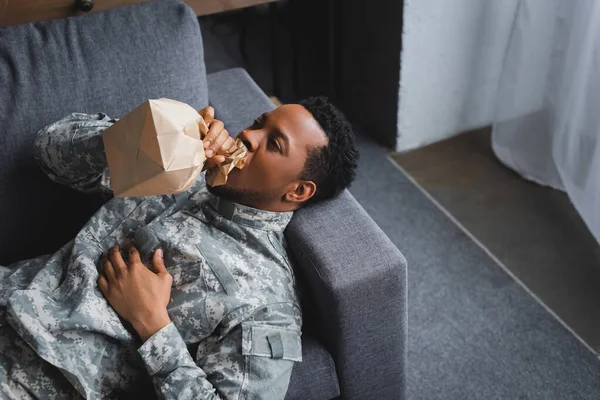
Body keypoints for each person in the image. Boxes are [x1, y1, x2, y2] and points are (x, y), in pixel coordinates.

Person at [0, 97, 359, 399]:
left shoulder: (266, 304)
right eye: (258, 123)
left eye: (274, 144)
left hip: (36, 382)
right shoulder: (180, 166)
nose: (247, 135)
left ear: (297, 191)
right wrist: (150, 137)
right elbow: (47, 150)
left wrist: (153, 324)